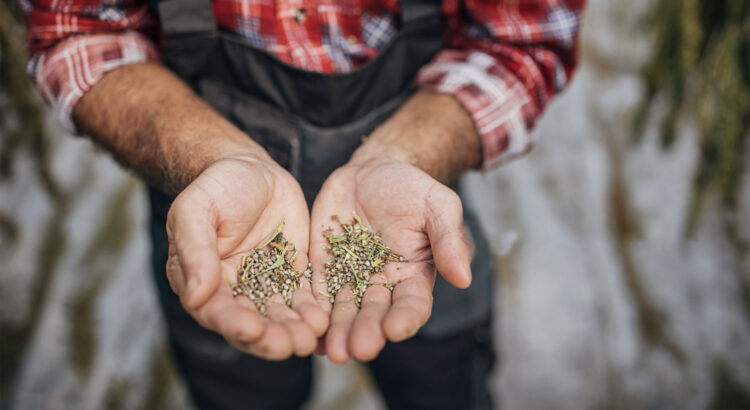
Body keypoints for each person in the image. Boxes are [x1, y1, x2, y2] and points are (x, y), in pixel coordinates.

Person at [20, 0, 584, 408]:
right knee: (239, 387)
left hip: (411, 229)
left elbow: (523, 41)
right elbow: (78, 32)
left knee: (443, 382)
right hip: (218, 240)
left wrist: (406, 156)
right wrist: (210, 159)